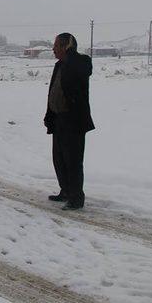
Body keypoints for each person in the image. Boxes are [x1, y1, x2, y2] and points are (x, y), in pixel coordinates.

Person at [44, 33, 95, 210]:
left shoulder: (80, 62)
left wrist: (71, 54)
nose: (53, 49)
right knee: (59, 159)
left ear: (67, 47)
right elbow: (53, 91)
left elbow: (83, 71)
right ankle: (65, 191)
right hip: (59, 120)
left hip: (73, 121)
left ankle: (76, 198)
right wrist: (49, 115)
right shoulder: (59, 65)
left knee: (73, 161)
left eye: (57, 45)